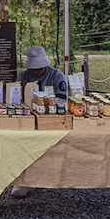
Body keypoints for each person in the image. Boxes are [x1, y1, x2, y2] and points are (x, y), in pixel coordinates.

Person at [13, 46, 67, 199]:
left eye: (39, 68)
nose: (36, 72)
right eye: (33, 69)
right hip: (27, 121)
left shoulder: (57, 77)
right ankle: (24, 180)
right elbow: (15, 99)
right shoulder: (23, 77)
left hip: (51, 121)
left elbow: (63, 101)